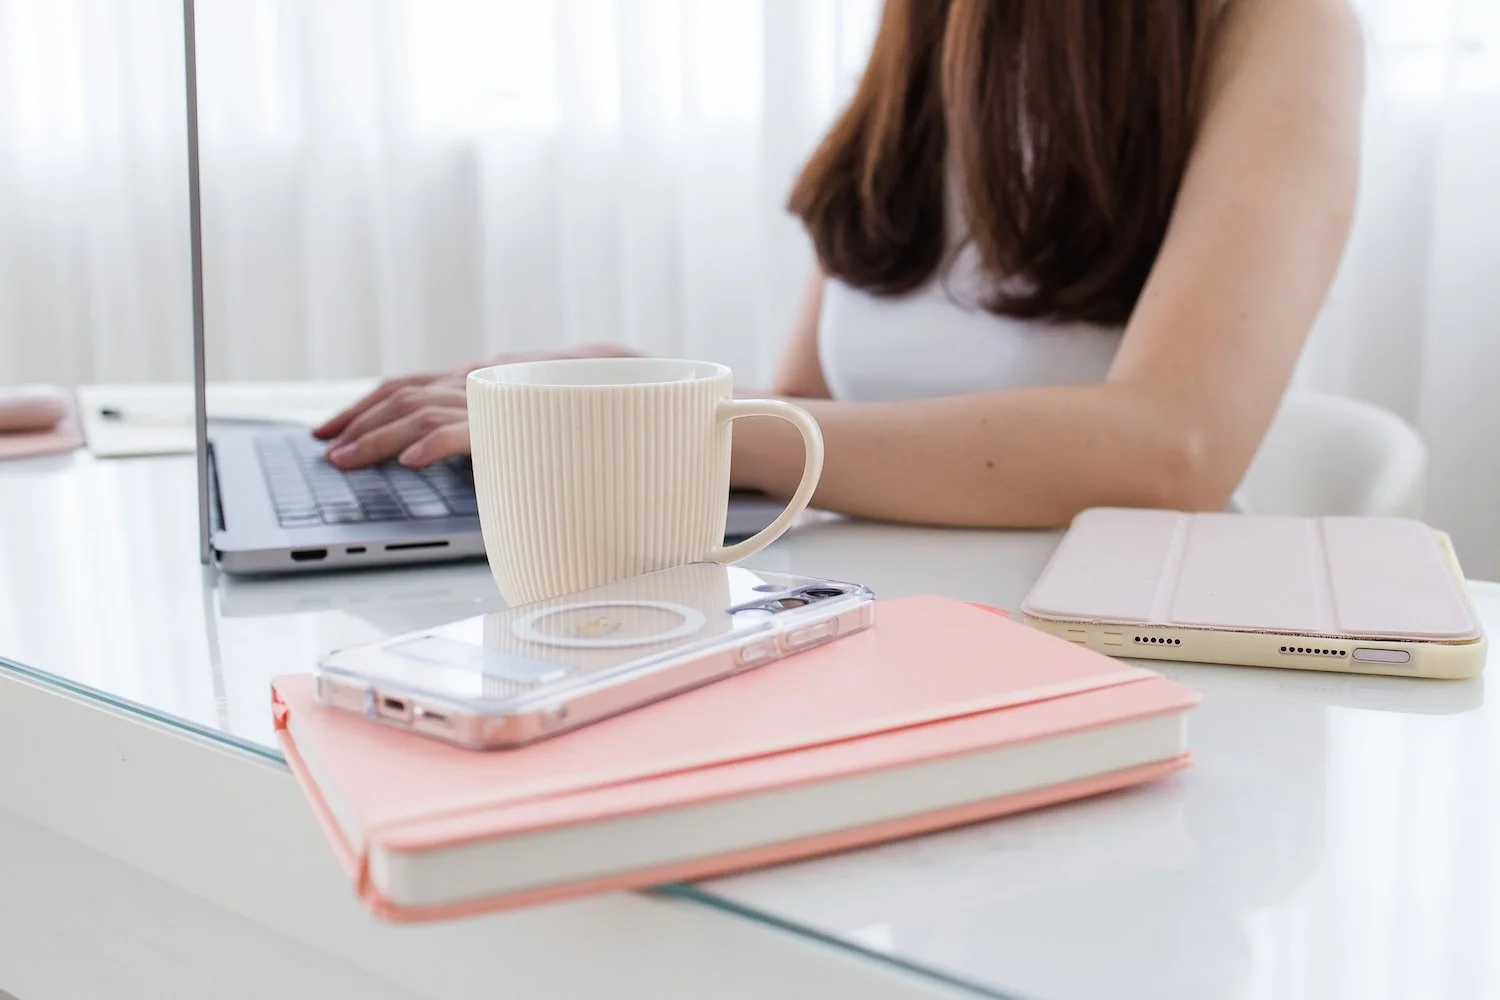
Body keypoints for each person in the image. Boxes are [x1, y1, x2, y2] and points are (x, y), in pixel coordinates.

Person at [314, 0, 1363, 529]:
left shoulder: (1277, 26)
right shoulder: (933, 34)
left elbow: (1169, 451)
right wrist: (634, 388)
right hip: (895, 633)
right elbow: (818, 415)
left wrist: (706, 422)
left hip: (1122, 663)